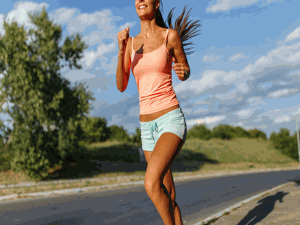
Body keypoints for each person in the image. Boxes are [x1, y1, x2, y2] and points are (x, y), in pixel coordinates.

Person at [116, 1, 201, 224]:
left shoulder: (170, 37)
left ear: (157, 3)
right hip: (147, 127)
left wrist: (184, 72)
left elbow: (184, 69)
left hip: (169, 119)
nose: (140, 1)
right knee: (168, 193)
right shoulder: (131, 42)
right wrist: (121, 48)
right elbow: (122, 84)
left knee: (151, 183)